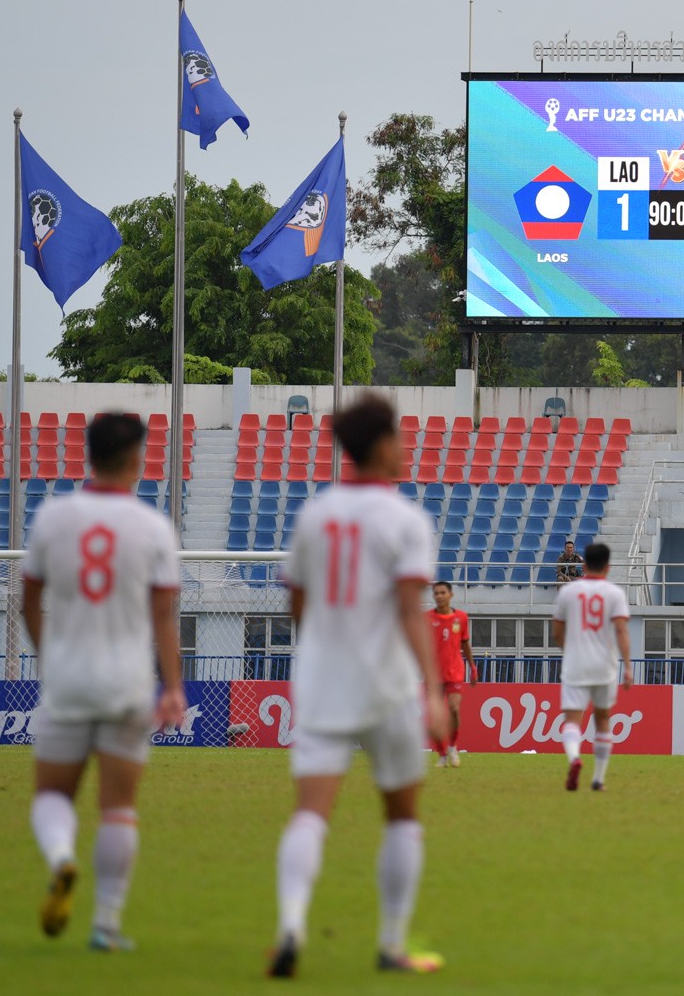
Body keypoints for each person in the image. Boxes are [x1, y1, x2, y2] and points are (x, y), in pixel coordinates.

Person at [269, 396, 447, 978]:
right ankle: (393, 943)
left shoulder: (314, 515)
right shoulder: (406, 521)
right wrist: (435, 692)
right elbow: (408, 609)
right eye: (399, 437)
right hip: (387, 686)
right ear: (382, 445)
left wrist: (323, 644)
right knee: (401, 817)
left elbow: (296, 600)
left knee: (309, 815)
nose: (406, 448)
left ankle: (292, 924)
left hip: (323, 684)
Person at [20, 412, 184, 953]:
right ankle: (106, 925)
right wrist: (174, 687)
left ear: (88, 454)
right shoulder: (153, 527)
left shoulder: (52, 518)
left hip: (67, 680)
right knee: (118, 808)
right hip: (126, 683)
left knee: (52, 796)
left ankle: (62, 859)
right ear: (138, 459)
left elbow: (27, 602)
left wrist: (52, 659)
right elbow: (164, 617)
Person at [551, 542, 632, 793]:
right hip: (604, 665)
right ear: (608, 567)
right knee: (602, 719)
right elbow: (620, 631)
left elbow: (557, 633)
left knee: (573, 720)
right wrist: (628, 666)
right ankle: (598, 779)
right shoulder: (615, 593)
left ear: (583, 565)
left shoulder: (568, 592)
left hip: (576, 663)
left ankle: (575, 758)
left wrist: (570, 651)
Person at [429, 581, 476, 768]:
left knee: (454, 709)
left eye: (442, 592)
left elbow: (465, 643)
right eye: (436, 593)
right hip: (434, 674)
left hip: (455, 671)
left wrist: (472, 667)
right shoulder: (427, 618)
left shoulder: (461, 618)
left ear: (450, 595)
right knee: (435, 717)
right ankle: (441, 754)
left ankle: (452, 746)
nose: (439, 596)